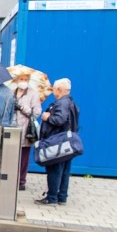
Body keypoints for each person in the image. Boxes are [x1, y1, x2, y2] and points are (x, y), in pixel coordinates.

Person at [36, 78, 79, 206]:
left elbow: (59, 120)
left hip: (57, 142)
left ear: (59, 90)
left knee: (55, 169)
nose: (53, 92)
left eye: (54, 89)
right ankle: (62, 197)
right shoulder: (71, 102)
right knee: (65, 170)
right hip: (67, 142)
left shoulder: (61, 103)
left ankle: (52, 197)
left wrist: (47, 117)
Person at [12, 73, 43, 191]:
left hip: (25, 129)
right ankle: (11, 178)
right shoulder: (12, 93)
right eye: (21, 79)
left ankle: (21, 180)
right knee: (11, 155)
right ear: (17, 80)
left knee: (24, 157)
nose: (24, 81)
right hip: (12, 127)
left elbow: (36, 113)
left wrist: (22, 107)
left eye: (26, 79)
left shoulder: (33, 93)